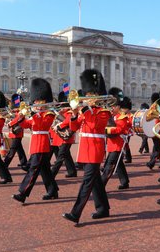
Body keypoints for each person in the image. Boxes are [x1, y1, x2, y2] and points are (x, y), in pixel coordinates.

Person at [62, 69, 111, 224]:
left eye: (91, 95)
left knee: (87, 182)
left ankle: (75, 213)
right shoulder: (85, 111)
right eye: (88, 95)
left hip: (95, 149)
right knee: (95, 181)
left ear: (97, 95)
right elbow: (74, 127)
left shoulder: (104, 111)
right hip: (85, 149)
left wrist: (84, 110)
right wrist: (75, 114)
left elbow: (94, 124)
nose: (88, 98)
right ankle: (103, 208)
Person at [12, 78, 59, 203]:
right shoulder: (37, 114)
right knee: (45, 170)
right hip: (36, 144)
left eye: (40, 101)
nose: (38, 103)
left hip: (42, 144)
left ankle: (23, 193)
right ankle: (52, 190)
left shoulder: (49, 114)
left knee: (33, 170)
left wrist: (33, 114)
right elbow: (28, 124)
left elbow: (41, 125)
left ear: (45, 101)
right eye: (36, 100)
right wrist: (21, 117)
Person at [101, 87, 130, 189]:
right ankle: (125, 181)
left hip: (117, 145)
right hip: (111, 144)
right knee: (119, 164)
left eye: (113, 106)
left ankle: (101, 185)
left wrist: (107, 130)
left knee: (109, 166)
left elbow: (119, 130)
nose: (111, 108)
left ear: (118, 107)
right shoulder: (111, 116)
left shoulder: (122, 117)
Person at [51, 91, 77, 178]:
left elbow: (67, 122)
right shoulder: (62, 112)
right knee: (66, 155)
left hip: (67, 137)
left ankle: (52, 174)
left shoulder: (69, 112)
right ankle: (72, 171)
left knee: (60, 156)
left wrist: (58, 126)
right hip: (61, 136)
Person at [4, 93, 29, 171]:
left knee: (12, 149)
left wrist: (10, 123)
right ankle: (24, 162)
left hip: (17, 132)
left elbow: (17, 119)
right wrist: (7, 120)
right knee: (19, 149)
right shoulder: (14, 112)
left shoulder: (21, 112)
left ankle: (5, 164)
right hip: (13, 132)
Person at [146, 92, 160, 170]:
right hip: (158, 131)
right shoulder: (159, 109)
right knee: (158, 147)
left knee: (158, 147)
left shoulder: (153, 108)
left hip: (157, 131)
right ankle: (153, 162)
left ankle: (153, 162)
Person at [122, 96, 133, 164]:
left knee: (125, 145)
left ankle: (127, 157)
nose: (123, 110)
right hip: (123, 132)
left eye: (124, 108)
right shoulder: (122, 115)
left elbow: (131, 124)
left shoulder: (131, 116)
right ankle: (128, 158)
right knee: (126, 145)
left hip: (127, 132)